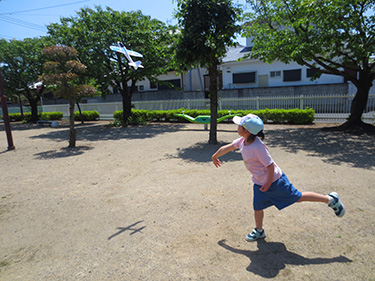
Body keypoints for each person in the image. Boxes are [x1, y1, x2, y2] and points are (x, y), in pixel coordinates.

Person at [211, 114, 345, 242]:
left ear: (246, 131)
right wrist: (215, 156)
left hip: (275, 182)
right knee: (257, 207)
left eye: (240, 125)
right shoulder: (242, 141)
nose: (237, 126)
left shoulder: (258, 147)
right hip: (259, 183)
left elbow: (270, 166)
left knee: (297, 197)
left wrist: (269, 183)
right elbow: (226, 148)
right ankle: (259, 230)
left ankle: (331, 199)